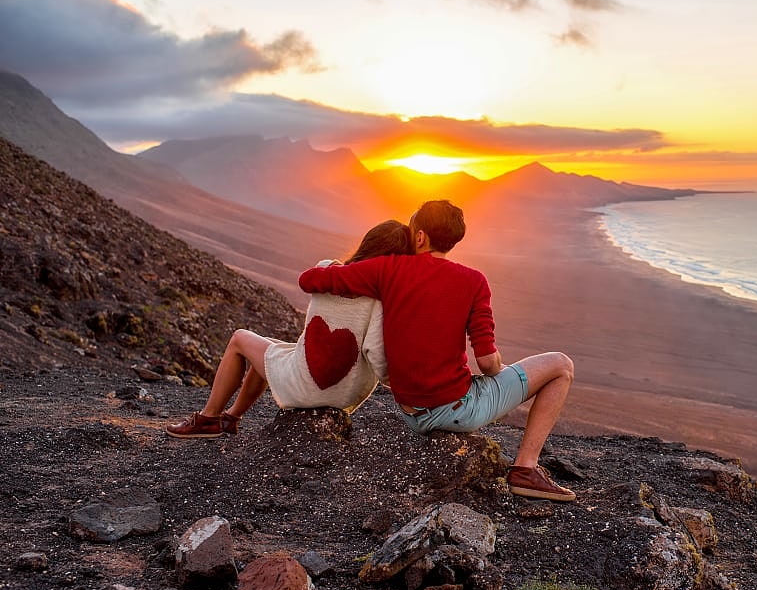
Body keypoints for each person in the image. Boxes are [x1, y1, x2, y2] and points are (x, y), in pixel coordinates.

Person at [298, 200, 577, 502]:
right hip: (456, 411)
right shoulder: (474, 281)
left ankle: (524, 468)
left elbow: (308, 280)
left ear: (420, 237)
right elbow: (487, 363)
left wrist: (342, 270)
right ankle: (525, 469)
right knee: (561, 365)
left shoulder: (387, 269)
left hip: (410, 412)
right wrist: (500, 368)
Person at [165, 220, 414, 438]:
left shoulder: (327, 269)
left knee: (240, 338)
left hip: (307, 388)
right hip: (345, 396)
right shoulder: (381, 301)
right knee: (272, 347)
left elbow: (313, 279)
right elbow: (378, 358)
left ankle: (208, 418)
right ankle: (231, 417)